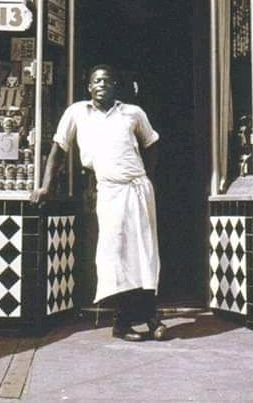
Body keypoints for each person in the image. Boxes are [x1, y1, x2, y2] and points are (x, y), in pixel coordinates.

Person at [31, 65, 167, 342]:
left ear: (116, 86)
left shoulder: (132, 113)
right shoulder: (77, 113)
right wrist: (45, 186)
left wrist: (147, 178)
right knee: (116, 255)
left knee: (144, 252)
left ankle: (151, 318)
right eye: (96, 80)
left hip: (138, 188)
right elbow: (58, 151)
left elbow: (152, 145)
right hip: (108, 191)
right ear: (88, 87)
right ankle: (124, 321)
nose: (101, 84)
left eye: (106, 80)